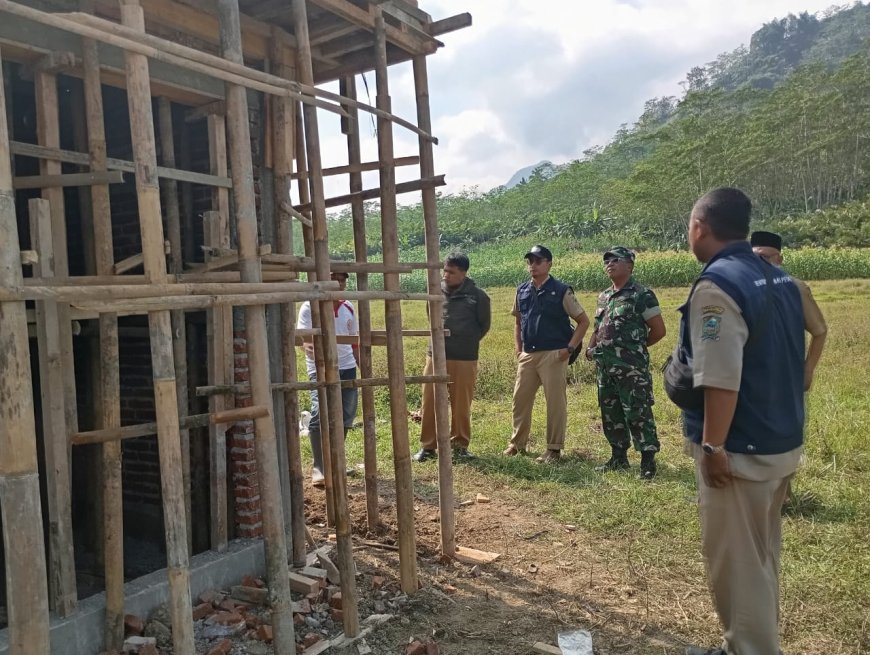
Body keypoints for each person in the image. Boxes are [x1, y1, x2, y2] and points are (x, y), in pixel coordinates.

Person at [679, 188, 805, 655]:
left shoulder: (717, 286)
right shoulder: (777, 276)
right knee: (762, 554)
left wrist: (713, 447)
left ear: (700, 227)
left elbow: (721, 377)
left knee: (738, 564)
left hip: (741, 448)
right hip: (780, 438)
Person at [503, 245, 590, 463]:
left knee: (555, 403)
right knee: (520, 400)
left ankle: (553, 449)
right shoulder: (522, 290)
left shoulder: (561, 290)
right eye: (530, 261)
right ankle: (516, 444)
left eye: (538, 261)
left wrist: (569, 348)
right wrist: (518, 348)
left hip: (554, 354)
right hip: (529, 355)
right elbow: (518, 321)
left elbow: (583, 321)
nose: (533, 265)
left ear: (549, 264)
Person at [585, 246, 666, 479]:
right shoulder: (604, 296)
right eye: (606, 260)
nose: (609, 263)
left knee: (638, 412)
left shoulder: (642, 294)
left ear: (629, 265)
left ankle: (648, 461)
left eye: (615, 259)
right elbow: (598, 327)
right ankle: (618, 457)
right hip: (605, 368)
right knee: (611, 412)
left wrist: (634, 349)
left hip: (632, 369)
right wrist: (591, 347)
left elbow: (659, 331)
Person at [413, 253, 491, 462]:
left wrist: (465, 341)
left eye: (451, 272)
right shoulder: (435, 293)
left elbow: (484, 326)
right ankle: (428, 447)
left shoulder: (478, 296)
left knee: (461, 403)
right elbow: (431, 317)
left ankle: (459, 446)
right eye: (444, 270)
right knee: (429, 400)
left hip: (464, 357)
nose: (446, 275)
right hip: (435, 355)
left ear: (464, 273)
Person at [296, 271, 359, 487]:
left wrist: (362, 366)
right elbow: (306, 340)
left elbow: (354, 342)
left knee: (346, 415)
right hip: (320, 368)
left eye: (342, 280)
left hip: (347, 367)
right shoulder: (310, 306)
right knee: (319, 413)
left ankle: (336, 461)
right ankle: (319, 466)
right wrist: (316, 353)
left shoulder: (349, 307)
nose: (339, 283)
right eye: (335, 279)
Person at [750, 230, 827, 391]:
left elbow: (819, 331)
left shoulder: (796, 288)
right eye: (753, 258)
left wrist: (808, 371)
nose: (758, 263)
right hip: (749, 380)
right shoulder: (741, 287)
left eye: (764, 257)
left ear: (779, 259)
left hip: (786, 378)